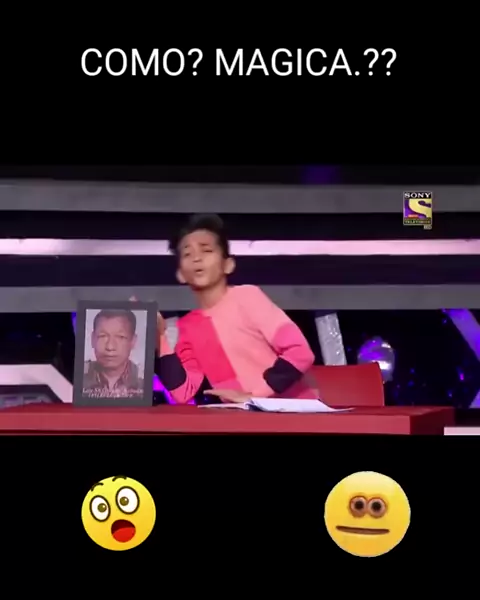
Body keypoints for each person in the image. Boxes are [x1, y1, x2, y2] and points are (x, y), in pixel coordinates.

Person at [154, 214, 318, 404]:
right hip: (241, 417)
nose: (197, 258)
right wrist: (160, 337)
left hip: (293, 411)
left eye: (206, 250)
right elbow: (183, 392)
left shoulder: (248, 297)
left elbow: (300, 352)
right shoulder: (187, 326)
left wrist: (255, 396)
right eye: (187, 254)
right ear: (181, 274)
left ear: (228, 264)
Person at [83, 309, 144, 398]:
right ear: (93, 339)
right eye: (102, 336)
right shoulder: (77, 377)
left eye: (120, 337)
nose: (110, 347)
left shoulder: (146, 381)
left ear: (133, 341)